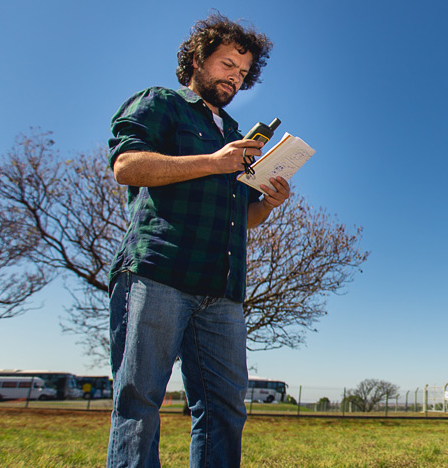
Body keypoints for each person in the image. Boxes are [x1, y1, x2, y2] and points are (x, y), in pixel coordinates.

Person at [104, 13, 289, 468]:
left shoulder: (235, 136)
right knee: (140, 402)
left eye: (243, 73)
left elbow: (237, 219)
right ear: (197, 60)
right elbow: (127, 166)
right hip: (158, 272)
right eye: (227, 64)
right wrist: (213, 161)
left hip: (223, 289)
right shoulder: (162, 102)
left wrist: (267, 203)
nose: (235, 78)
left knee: (225, 409)